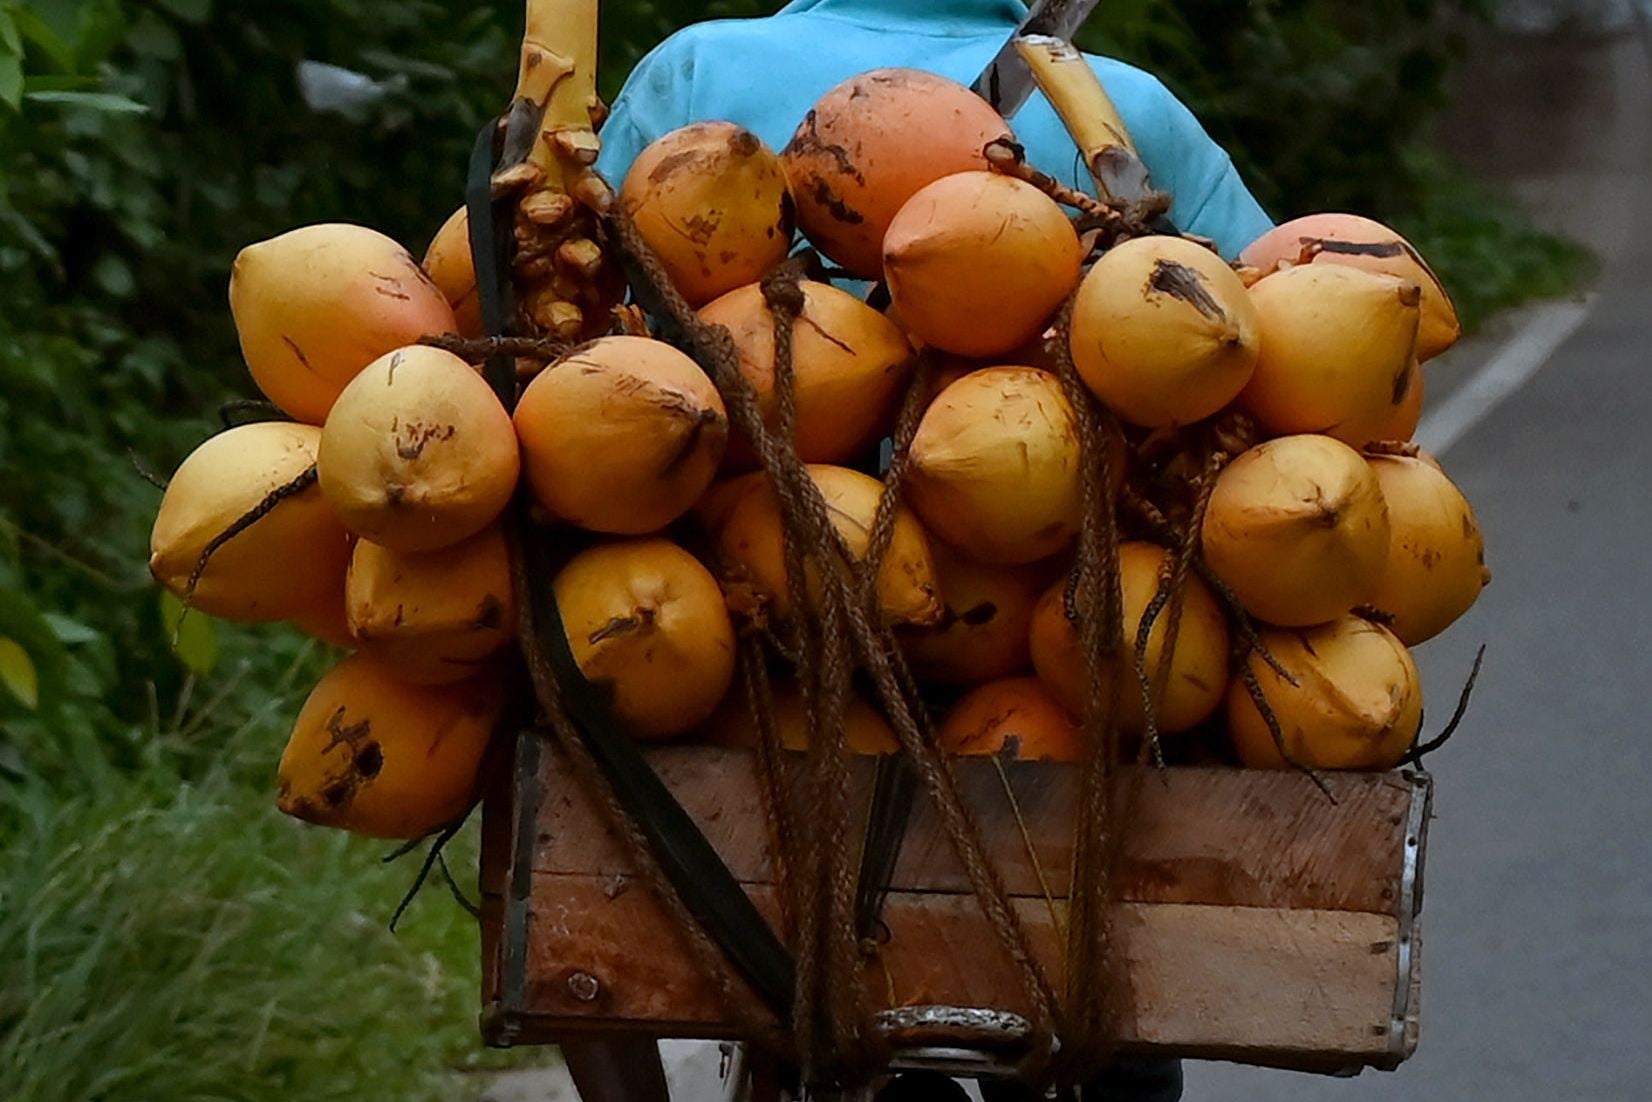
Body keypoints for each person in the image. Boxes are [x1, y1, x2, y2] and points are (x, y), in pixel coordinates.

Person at [586, 3, 1266, 1098]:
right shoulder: (1120, 112)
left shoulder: (696, 73)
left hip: (761, 630)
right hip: (1064, 656)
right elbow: (1260, 356)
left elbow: (583, 349)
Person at [595, 0, 1273, 259]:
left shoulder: (697, 71)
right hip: (1055, 550)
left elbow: (580, 327)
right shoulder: (1124, 108)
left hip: (722, 552)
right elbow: (1289, 323)